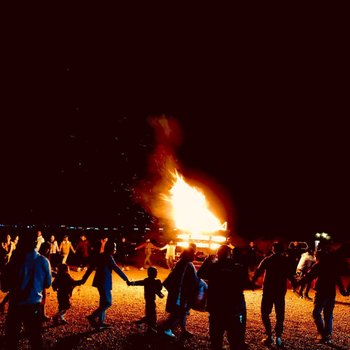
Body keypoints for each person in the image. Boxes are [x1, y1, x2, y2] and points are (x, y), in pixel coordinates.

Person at [1, 229, 52, 349]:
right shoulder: (44, 261)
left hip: (16, 305)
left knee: (12, 339)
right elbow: (48, 284)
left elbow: (4, 287)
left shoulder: (15, 261)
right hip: (34, 306)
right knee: (35, 339)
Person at [198, 245, 249, 350]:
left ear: (218, 254)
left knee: (216, 339)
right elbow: (245, 283)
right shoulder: (237, 267)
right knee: (235, 339)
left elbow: (200, 273)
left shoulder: (213, 266)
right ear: (230, 255)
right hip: (233, 307)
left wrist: (207, 260)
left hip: (216, 307)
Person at [298, 250, 349, 344]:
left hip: (321, 292)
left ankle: (322, 333)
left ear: (318, 256)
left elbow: (309, 276)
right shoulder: (333, 266)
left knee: (316, 313)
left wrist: (297, 282)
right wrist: (343, 291)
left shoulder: (318, 265)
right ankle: (327, 335)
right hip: (331, 292)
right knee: (328, 314)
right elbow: (338, 279)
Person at [252, 241, 297, 347]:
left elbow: (258, 271)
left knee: (265, 313)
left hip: (268, 290)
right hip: (280, 291)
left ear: (273, 249)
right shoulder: (285, 261)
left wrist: (252, 282)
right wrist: (296, 284)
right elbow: (291, 276)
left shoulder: (268, 260)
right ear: (282, 250)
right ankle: (278, 337)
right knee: (280, 314)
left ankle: (269, 335)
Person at [82, 240, 130, 330]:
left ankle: (100, 323)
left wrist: (84, 279)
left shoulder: (100, 256)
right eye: (114, 247)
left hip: (99, 282)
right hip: (104, 283)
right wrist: (126, 279)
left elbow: (91, 268)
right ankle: (92, 316)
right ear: (110, 248)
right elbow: (116, 269)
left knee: (103, 302)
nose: (115, 249)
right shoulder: (108, 257)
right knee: (108, 302)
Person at [162, 247, 200, 339]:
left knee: (182, 312)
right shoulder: (187, 264)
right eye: (193, 254)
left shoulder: (182, 262)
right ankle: (167, 330)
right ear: (189, 255)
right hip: (180, 294)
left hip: (179, 292)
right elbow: (193, 279)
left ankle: (183, 330)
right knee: (179, 312)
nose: (194, 256)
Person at [128, 266, 164, 332]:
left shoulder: (147, 280)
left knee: (149, 310)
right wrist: (160, 293)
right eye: (155, 272)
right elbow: (158, 290)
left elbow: (139, 282)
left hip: (148, 298)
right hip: (151, 299)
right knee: (152, 311)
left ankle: (147, 320)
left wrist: (131, 283)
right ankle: (152, 325)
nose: (156, 274)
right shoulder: (156, 282)